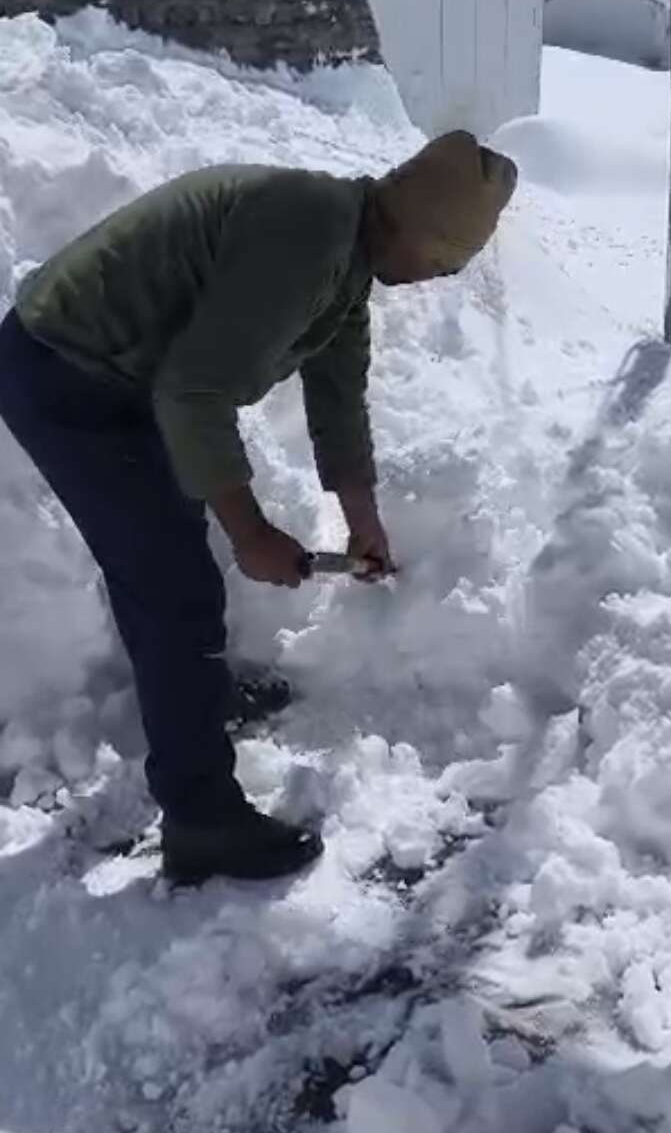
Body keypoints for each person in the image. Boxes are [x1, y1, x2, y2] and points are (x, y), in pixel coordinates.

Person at [0, 131, 518, 885]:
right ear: (418, 230)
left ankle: (196, 698)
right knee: (172, 585)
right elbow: (193, 391)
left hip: (122, 371)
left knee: (172, 550)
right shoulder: (307, 236)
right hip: (67, 372)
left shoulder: (345, 247)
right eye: (444, 264)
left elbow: (338, 390)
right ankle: (201, 819)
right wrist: (249, 532)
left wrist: (361, 515)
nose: (434, 280)